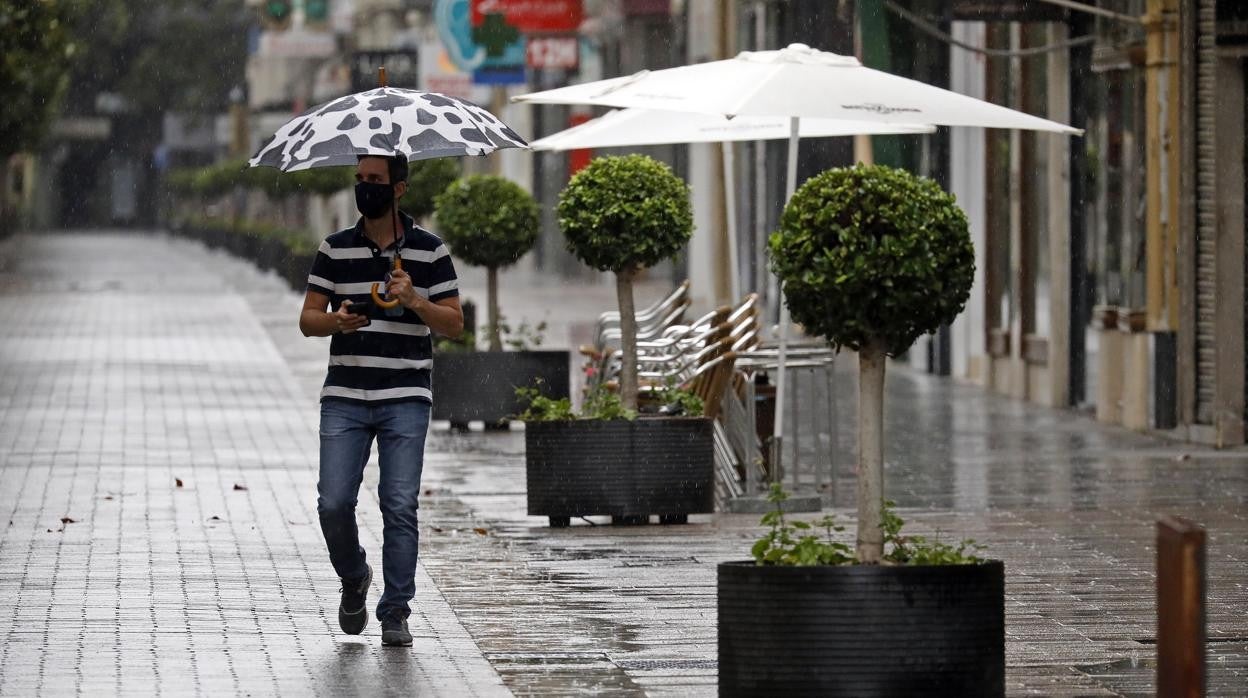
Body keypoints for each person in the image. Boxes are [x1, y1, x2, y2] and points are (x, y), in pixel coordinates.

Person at [298, 153, 463, 647]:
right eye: (360, 179)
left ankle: (396, 611)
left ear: (399, 188)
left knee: (398, 503)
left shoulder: (430, 252)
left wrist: (414, 300)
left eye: (375, 180)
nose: (364, 187)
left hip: (406, 395)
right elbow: (308, 319)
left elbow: (454, 323)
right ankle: (354, 576)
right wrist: (338, 321)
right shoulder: (335, 248)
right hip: (346, 395)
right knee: (333, 502)